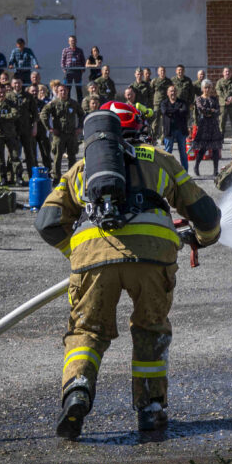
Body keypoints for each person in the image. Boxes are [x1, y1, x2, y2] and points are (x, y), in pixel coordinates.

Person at [34, 101, 220, 439]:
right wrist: (204, 238)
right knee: (150, 329)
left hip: (92, 259)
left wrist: (76, 254)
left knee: (86, 331)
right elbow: (206, 214)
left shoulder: (82, 168)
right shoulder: (160, 159)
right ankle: (151, 409)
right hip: (153, 258)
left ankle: (77, 391)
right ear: (138, 129)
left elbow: (47, 221)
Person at [40, 84, 84, 183]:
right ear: (57, 92)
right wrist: (50, 128)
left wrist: (80, 128)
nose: (63, 92)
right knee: (57, 157)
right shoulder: (54, 103)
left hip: (71, 134)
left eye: (64, 90)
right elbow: (43, 114)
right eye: (61, 91)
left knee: (72, 156)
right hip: (59, 134)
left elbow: (82, 115)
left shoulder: (73, 103)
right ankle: (56, 177)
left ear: (68, 91)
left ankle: (71, 177)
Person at [0, 86, 24, 186]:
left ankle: (18, 177)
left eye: (3, 92)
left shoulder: (11, 104)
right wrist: (7, 118)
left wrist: (1, 116)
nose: (1, 95)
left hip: (10, 134)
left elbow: (15, 114)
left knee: (15, 156)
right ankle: (3, 178)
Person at [192, 80, 223, 177]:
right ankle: (196, 166)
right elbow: (201, 109)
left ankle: (215, 170)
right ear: (202, 88)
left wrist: (211, 112)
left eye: (209, 87)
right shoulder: (199, 99)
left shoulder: (214, 99)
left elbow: (218, 111)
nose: (207, 89)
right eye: (205, 87)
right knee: (203, 147)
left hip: (214, 125)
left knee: (215, 148)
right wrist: (211, 111)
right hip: (204, 125)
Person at [10, 78, 39, 174]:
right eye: (15, 83)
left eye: (19, 83)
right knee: (14, 154)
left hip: (26, 128)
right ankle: (17, 175)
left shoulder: (28, 96)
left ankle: (31, 175)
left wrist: (34, 127)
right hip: (13, 129)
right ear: (12, 84)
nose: (17, 85)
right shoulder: (8, 96)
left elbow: (34, 113)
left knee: (29, 153)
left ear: (22, 83)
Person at [159, 84, 190, 170]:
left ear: (177, 92)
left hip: (181, 131)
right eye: (171, 91)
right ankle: (166, 171)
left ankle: (185, 172)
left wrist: (171, 112)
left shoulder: (182, 102)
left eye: (174, 91)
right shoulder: (164, 103)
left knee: (183, 153)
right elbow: (164, 111)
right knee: (167, 153)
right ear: (167, 93)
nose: (173, 93)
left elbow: (185, 111)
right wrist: (178, 110)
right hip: (169, 131)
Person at [215, 67, 232, 141]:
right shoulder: (219, 82)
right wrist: (226, 98)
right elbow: (218, 91)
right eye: (226, 71)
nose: (227, 73)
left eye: (229, 71)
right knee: (222, 121)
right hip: (223, 105)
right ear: (223, 73)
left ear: (231, 73)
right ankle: (221, 136)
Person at [33, 84, 53, 170]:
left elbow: (45, 115)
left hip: (42, 130)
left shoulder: (42, 103)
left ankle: (48, 171)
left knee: (45, 152)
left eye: (36, 91)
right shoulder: (27, 103)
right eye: (33, 91)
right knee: (32, 153)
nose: (35, 93)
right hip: (31, 130)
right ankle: (34, 171)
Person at [61, 35, 86, 102]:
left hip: (78, 71)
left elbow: (83, 60)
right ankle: (67, 102)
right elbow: (63, 60)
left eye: (74, 40)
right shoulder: (65, 50)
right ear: (68, 42)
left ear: (76, 41)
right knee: (68, 88)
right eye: (71, 41)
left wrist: (83, 69)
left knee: (78, 88)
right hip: (69, 70)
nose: (73, 42)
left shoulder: (80, 50)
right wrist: (64, 69)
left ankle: (80, 103)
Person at [151, 66, 173, 140]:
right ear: (158, 72)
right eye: (161, 71)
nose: (162, 72)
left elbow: (171, 92)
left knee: (165, 121)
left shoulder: (169, 81)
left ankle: (163, 138)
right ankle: (153, 138)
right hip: (157, 104)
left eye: (163, 71)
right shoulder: (154, 81)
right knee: (155, 121)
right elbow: (151, 91)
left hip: (166, 104)